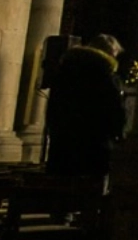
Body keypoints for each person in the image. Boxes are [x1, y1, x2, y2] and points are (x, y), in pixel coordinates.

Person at [45, 34, 126, 184]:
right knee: (88, 187)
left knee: (60, 184)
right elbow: (114, 109)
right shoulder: (104, 73)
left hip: (63, 140)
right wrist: (118, 134)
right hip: (94, 142)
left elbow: (54, 106)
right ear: (110, 52)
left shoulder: (65, 70)